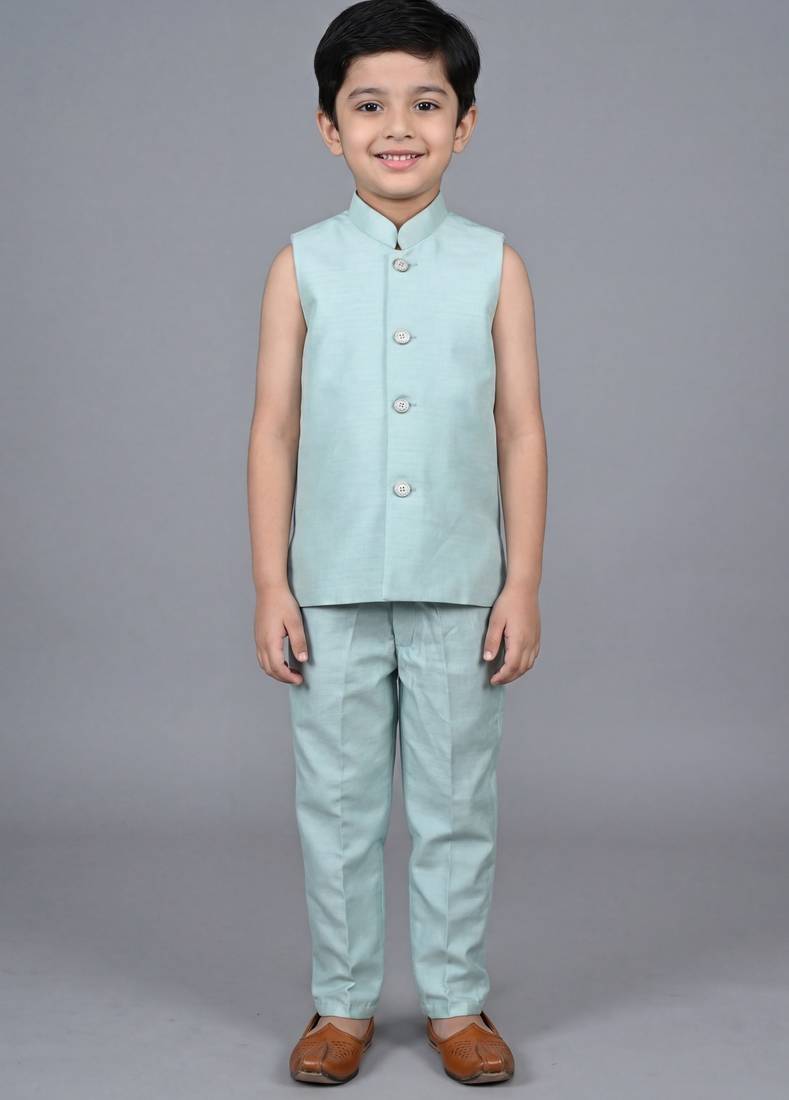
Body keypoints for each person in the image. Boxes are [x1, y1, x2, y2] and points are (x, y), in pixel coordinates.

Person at [247, 0, 546, 1085]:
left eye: (426, 103)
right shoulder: (301, 264)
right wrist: (270, 582)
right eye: (368, 105)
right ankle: (342, 1004)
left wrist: (523, 582)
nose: (398, 127)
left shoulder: (495, 263)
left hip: (462, 584)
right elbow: (274, 429)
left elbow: (520, 430)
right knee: (336, 807)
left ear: (464, 123)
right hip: (328, 583)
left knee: (457, 805)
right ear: (330, 127)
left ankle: (458, 1001)